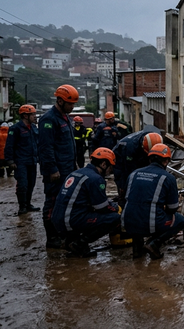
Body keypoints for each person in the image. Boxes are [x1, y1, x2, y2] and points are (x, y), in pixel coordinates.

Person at [51, 148, 121, 258]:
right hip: (71, 220)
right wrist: (116, 207)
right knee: (114, 218)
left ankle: (70, 240)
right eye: (110, 167)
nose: (111, 170)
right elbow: (102, 207)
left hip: (57, 219)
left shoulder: (76, 173)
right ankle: (80, 243)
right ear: (103, 164)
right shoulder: (96, 179)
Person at [122, 144, 184, 259]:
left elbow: (124, 197)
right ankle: (154, 243)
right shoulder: (167, 178)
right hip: (149, 223)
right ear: (166, 161)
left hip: (128, 222)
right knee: (179, 220)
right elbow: (173, 207)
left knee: (137, 211)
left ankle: (137, 250)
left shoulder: (134, 173)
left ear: (150, 158)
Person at [39, 84, 79, 249]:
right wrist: (52, 169)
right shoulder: (49, 119)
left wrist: (75, 163)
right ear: (60, 101)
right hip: (56, 171)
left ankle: (62, 232)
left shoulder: (66, 118)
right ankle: (52, 237)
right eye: (70, 104)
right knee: (52, 202)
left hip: (68, 168)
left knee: (65, 202)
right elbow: (46, 148)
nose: (72, 107)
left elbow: (68, 145)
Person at [112, 130, 163, 207]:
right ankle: (123, 208)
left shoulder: (156, 141)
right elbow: (126, 170)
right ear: (143, 146)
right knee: (126, 189)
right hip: (121, 161)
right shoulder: (129, 147)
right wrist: (122, 185)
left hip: (137, 157)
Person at [4, 105, 39, 215]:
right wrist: (10, 161)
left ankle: (28, 204)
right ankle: (22, 206)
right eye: (32, 114)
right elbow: (9, 146)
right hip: (21, 162)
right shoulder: (15, 128)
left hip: (32, 161)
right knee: (23, 184)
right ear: (25, 115)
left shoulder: (33, 128)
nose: (35, 116)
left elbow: (37, 144)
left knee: (31, 183)